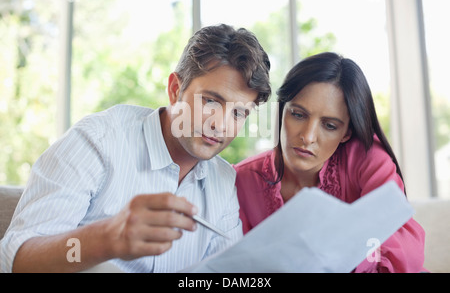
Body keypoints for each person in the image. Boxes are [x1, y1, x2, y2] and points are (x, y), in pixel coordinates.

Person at [0, 24, 271, 273]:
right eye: (211, 102)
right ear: (176, 89)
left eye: (239, 114)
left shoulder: (223, 181)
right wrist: (105, 240)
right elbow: (17, 261)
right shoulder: (98, 141)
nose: (220, 125)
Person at [233, 52, 426, 273]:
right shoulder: (242, 180)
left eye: (330, 126)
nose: (308, 136)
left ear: (346, 132)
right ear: (282, 109)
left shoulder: (367, 160)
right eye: (298, 114)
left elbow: (403, 253)